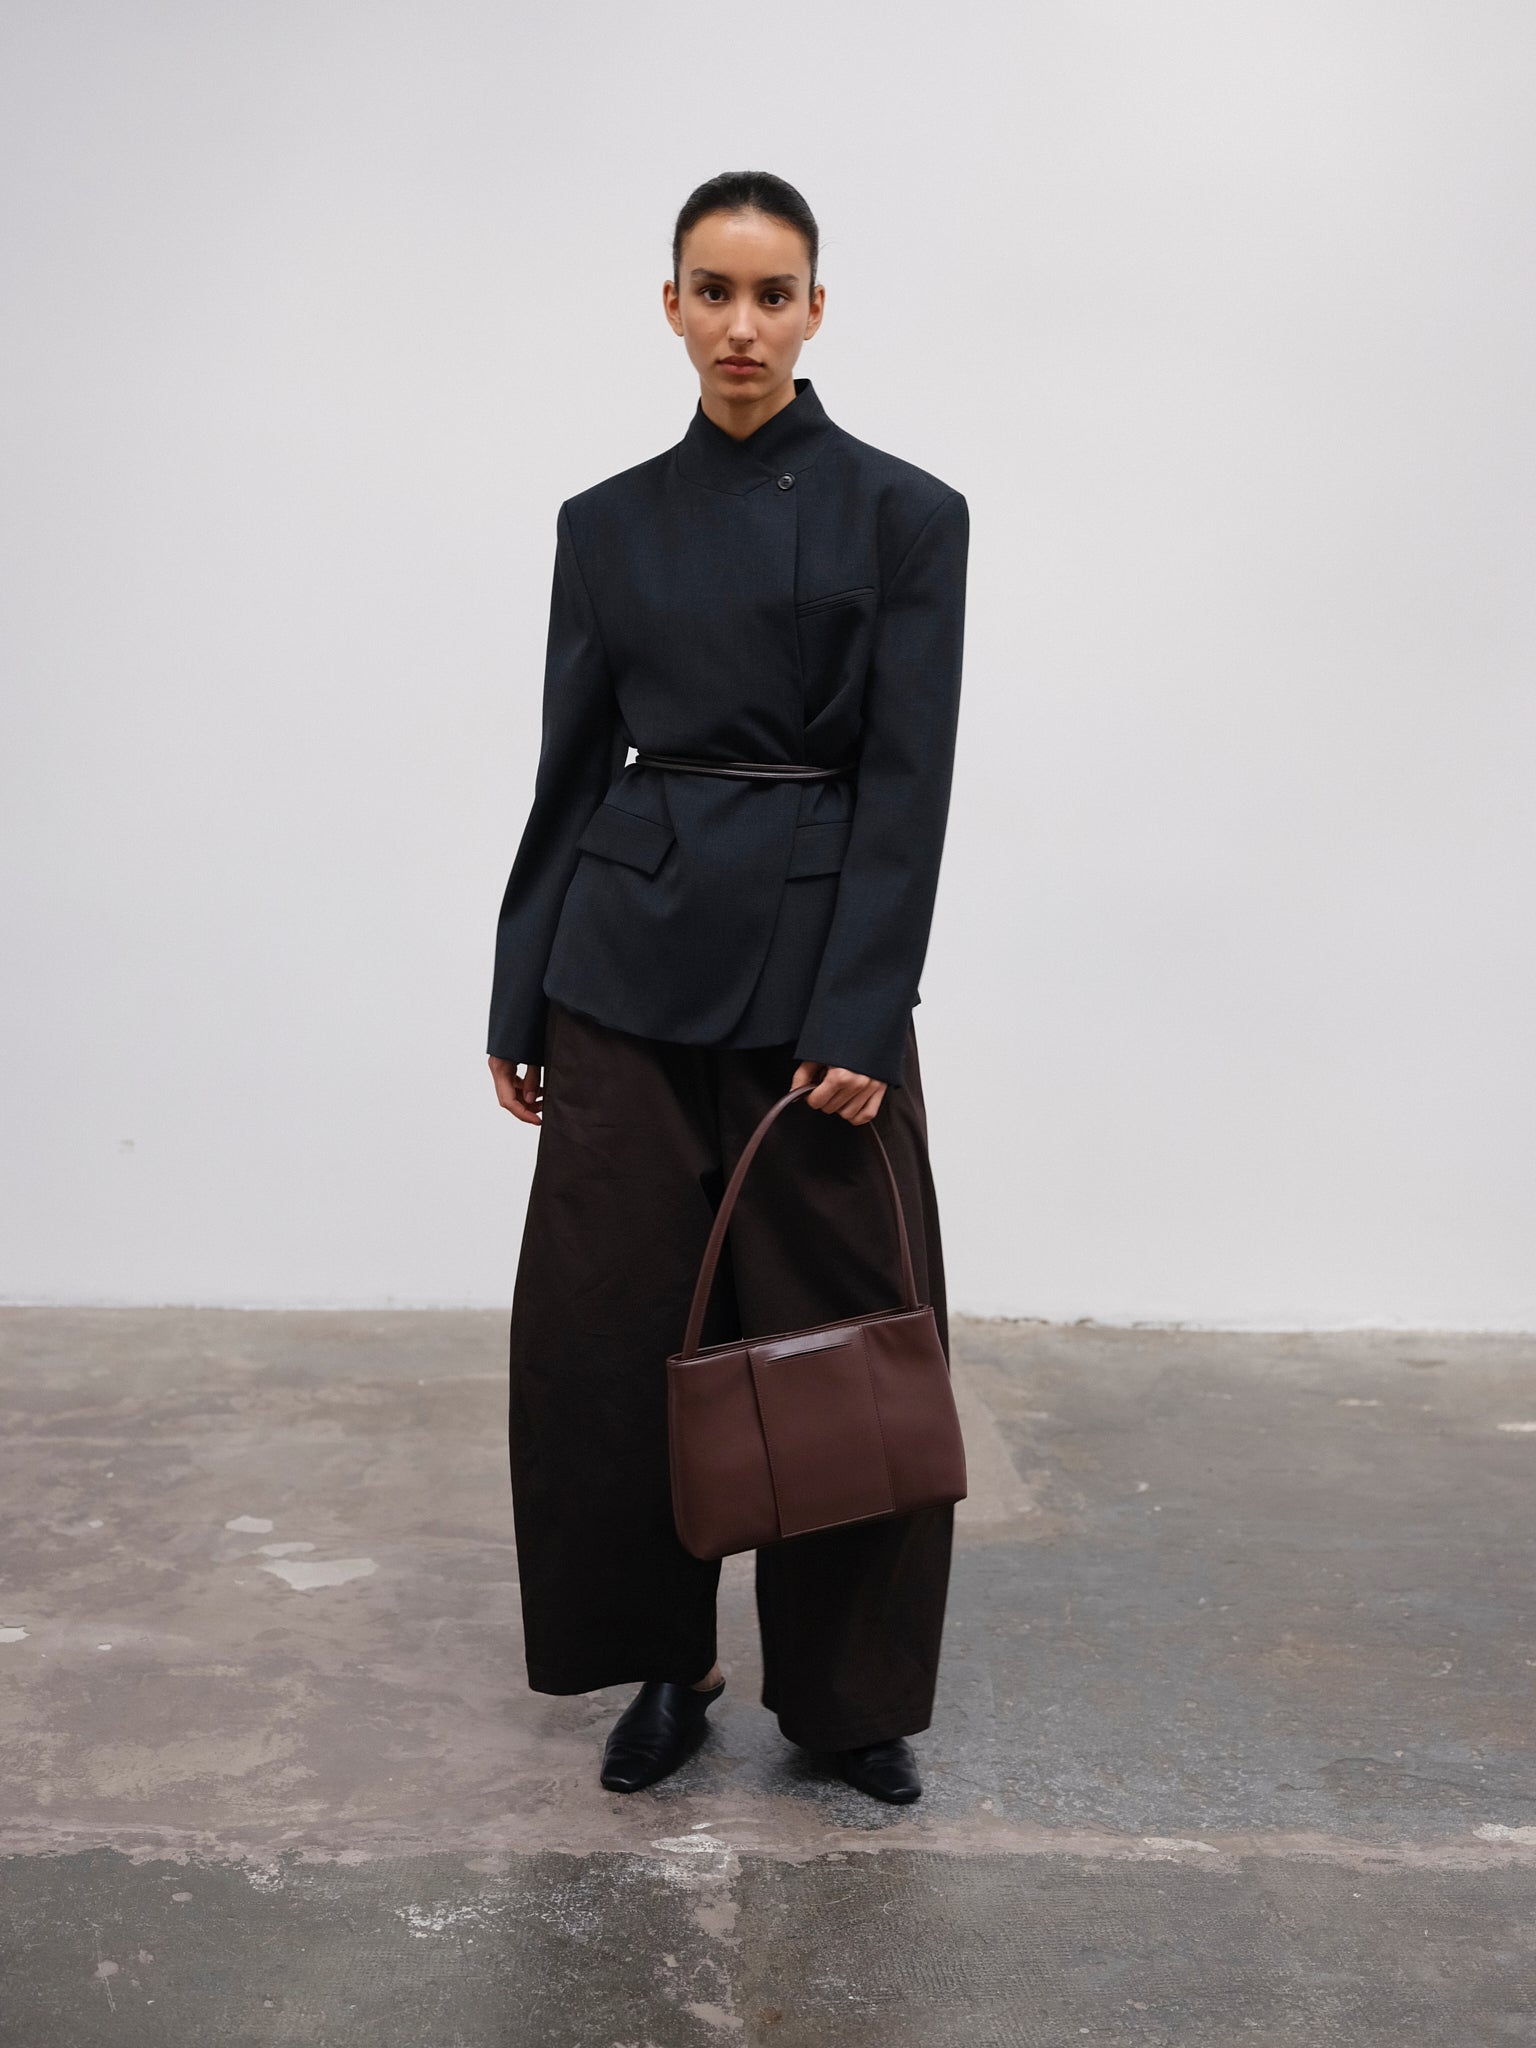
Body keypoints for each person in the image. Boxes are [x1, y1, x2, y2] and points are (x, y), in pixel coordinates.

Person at [486, 170, 969, 1804]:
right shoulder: (605, 524)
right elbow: (568, 770)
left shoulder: (907, 516)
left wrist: (865, 1008)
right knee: (608, 1338)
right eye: (714, 291)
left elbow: (908, 778)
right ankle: (665, 1661)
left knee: (851, 1341)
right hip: (620, 971)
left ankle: (847, 1700)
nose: (742, 325)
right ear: (672, 305)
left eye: (773, 294)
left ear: (817, 309)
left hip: (818, 984)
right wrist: (518, 993)